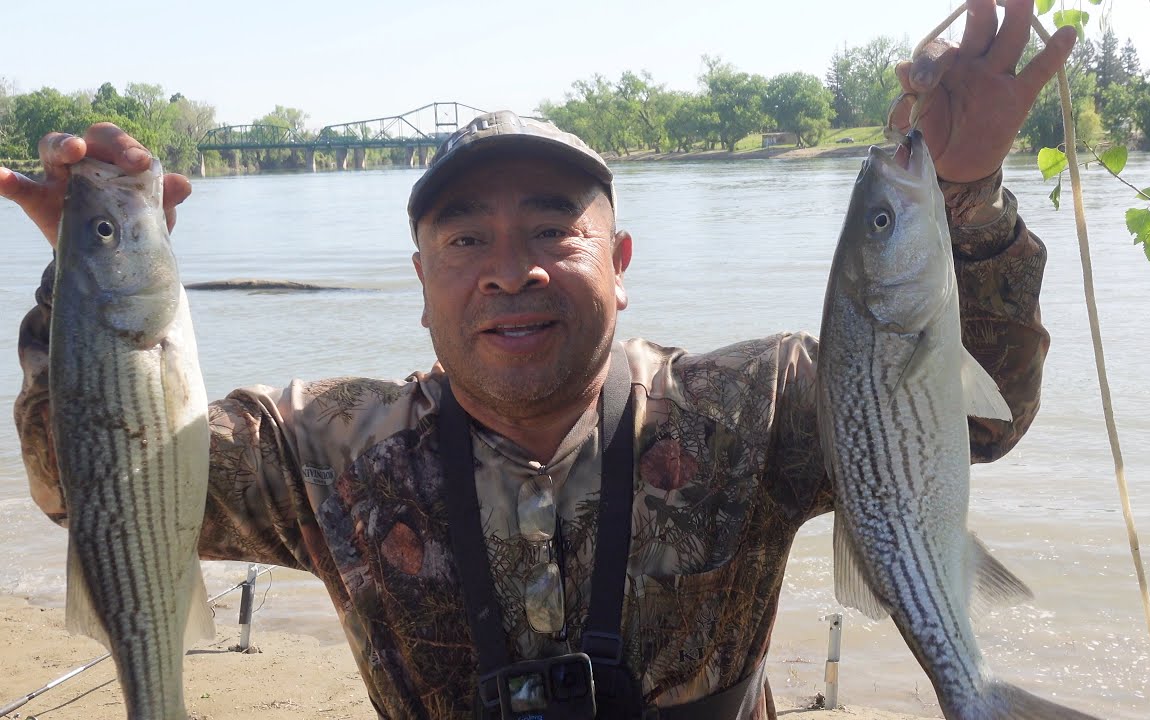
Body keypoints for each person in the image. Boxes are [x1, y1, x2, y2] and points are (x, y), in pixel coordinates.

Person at [2, 2, 1075, 718]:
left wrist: (963, 192)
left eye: (552, 231)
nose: (508, 271)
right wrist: (84, 284)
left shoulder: (759, 403)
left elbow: (972, 419)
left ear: (617, 259)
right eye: (465, 239)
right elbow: (79, 486)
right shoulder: (314, 446)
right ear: (421, 281)